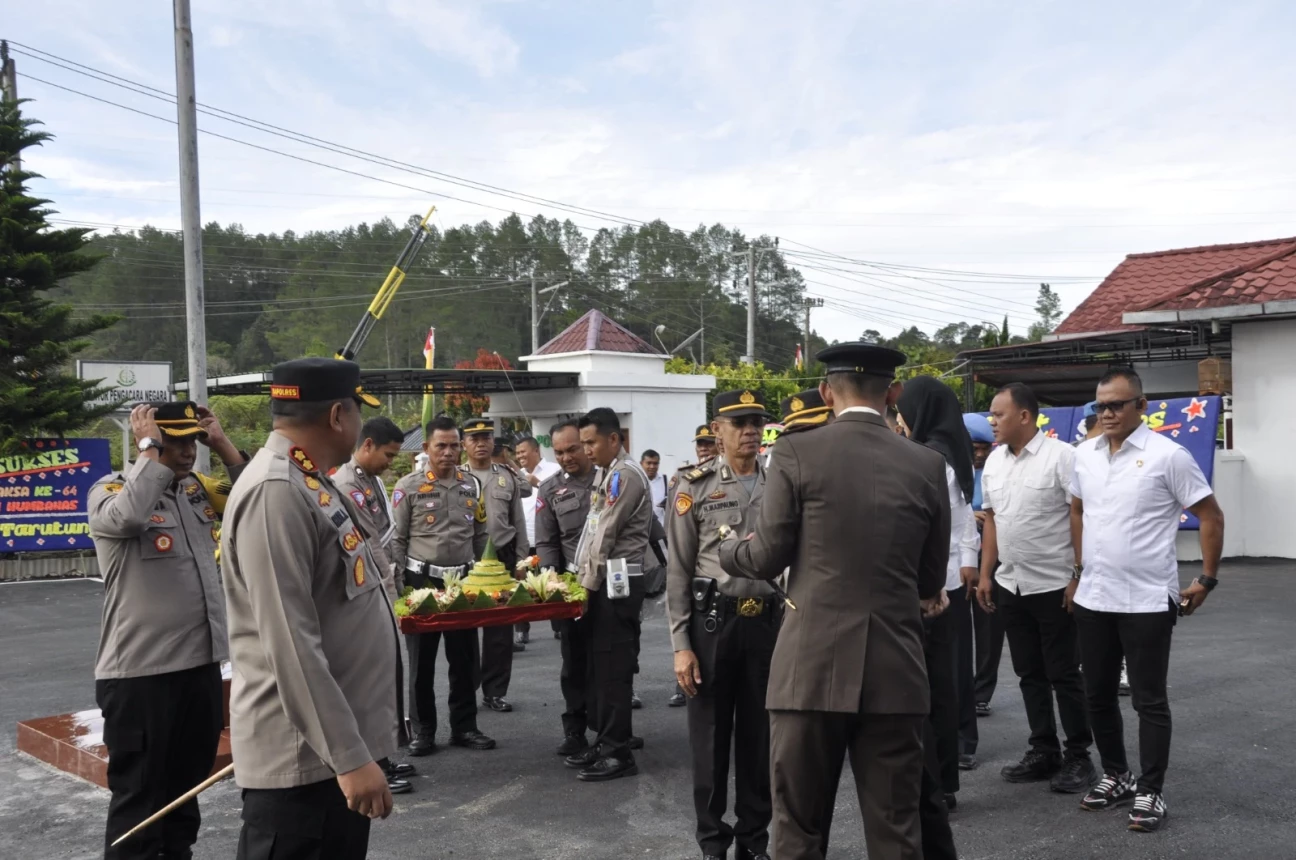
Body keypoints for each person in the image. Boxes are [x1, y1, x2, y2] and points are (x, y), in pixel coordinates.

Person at [720, 343, 951, 860]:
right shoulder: (927, 464)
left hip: (810, 667)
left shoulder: (795, 453)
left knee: (798, 829)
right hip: (895, 670)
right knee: (897, 830)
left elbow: (766, 556)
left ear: (826, 392)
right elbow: (930, 579)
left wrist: (729, 549)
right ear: (893, 391)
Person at [221, 359, 396, 860]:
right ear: (339, 415)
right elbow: (291, 644)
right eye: (359, 412)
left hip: (327, 760)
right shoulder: (276, 491)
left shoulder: (307, 479)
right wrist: (349, 758)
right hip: (306, 763)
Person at [88, 401, 247, 860]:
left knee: (184, 797)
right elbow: (128, 519)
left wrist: (221, 443)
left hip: (198, 667)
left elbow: (253, 501)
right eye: (173, 441)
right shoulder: (111, 491)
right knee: (139, 801)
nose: (185, 452)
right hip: (140, 676)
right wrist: (147, 452)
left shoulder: (197, 491)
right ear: (149, 441)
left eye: (191, 441)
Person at [1068, 368, 1225, 832]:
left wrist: (1208, 579)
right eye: (1101, 405)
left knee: (1148, 700)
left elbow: (1210, 515)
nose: (1108, 413)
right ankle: (1117, 775)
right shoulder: (1085, 456)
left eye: (1118, 404)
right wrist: (1077, 573)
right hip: (1095, 596)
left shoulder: (1167, 456)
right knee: (1096, 695)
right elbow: (1077, 510)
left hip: (1147, 600)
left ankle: (1151, 791)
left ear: (1142, 405)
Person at [668, 390, 777, 860]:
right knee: (710, 737)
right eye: (739, 423)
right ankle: (712, 842)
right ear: (718, 429)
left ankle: (754, 840)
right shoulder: (694, 485)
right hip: (713, 624)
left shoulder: (782, 482)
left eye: (756, 422)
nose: (750, 430)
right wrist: (680, 644)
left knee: (760, 737)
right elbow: (678, 567)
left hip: (768, 624)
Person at [975, 383, 1097, 795]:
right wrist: (987, 573)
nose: (992, 421)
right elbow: (992, 519)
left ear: (1024, 416)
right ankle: (1044, 750)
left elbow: (1081, 517)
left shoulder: (1063, 458)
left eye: (999, 414)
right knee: (1029, 673)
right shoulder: (994, 462)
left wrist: (1078, 575)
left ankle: (1079, 756)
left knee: (1064, 674)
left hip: (1054, 584)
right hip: (1012, 583)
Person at [391, 416, 497, 754]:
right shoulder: (407, 487)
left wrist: (486, 578)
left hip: (464, 581)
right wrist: (401, 589)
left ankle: (465, 727)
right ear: (426, 449)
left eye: (454, 445)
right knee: (421, 662)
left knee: (465, 659)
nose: (449, 452)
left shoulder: (471, 485)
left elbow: (480, 536)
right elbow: (397, 540)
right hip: (422, 582)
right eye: (441, 446)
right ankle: (423, 731)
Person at [896, 377, 981, 793]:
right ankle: (945, 779)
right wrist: (968, 562)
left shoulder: (925, 459)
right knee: (945, 683)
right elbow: (967, 521)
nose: (898, 419)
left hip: (925, 589)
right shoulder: (952, 453)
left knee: (923, 687)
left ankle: (931, 779)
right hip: (946, 582)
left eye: (902, 411)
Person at [565, 408, 654, 782]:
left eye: (590, 442)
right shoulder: (608, 473)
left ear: (614, 439)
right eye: (582, 443)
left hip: (617, 584)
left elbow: (605, 537)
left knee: (614, 668)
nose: (585, 451)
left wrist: (585, 586)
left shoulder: (625, 476)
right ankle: (605, 741)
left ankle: (618, 751)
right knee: (600, 669)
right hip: (606, 582)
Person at [331, 416, 414, 795]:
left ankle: (383, 754)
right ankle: (375, 762)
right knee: (373, 680)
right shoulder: (347, 484)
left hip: (384, 583)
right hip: (369, 589)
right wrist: (391, 591)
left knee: (387, 677)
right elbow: (371, 543)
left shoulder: (372, 481)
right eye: (388, 454)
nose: (391, 463)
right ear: (366, 445)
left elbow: (388, 535)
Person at [535, 419, 600, 755]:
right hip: (572, 588)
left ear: (586, 445)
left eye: (572, 449)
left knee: (614, 659)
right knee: (574, 661)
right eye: (558, 452)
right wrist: (550, 581)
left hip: (607, 585)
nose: (565, 457)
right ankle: (574, 729)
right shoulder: (549, 490)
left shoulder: (611, 479)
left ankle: (612, 728)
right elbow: (546, 543)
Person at [463, 418, 529, 704]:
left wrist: (522, 560)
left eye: (486, 437)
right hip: (467, 556)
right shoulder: (456, 476)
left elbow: (519, 521)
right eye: (474, 438)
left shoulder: (507, 476)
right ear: (464, 443)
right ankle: (466, 690)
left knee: (500, 629)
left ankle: (495, 691)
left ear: (493, 442)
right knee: (464, 630)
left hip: (502, 554)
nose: (481, 443)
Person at [668, 426, 721, 707]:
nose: (703, 448)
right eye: (699, 444)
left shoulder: (766, 477)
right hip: (707, 596)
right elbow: (677, 543)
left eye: (708, 444)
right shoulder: (686, 480)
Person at [963, 412, 1005, 719]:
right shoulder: (944, 465)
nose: (979, 455)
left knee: (989, 626)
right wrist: (969, 517)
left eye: (984, 448)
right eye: (974, 447)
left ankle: (982, 693)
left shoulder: (999, 467)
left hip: (991, 555)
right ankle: (958, 688)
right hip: (954, 560)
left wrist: (988, 517)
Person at [516, 435, 562, 644]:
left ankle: (559, 626)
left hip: (548, 541)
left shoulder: (553, 470)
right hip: (525, 542)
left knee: (551, 583)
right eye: (517, 453)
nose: (520, 456)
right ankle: (521, 629)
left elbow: (559, 494)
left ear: (536, 450)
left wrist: (537, 483)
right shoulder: (517, 476)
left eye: (523, 451)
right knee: (521, 587)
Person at [642, 449, 669, 525]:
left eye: (655, 463)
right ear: (641, 463)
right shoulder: (637, 480)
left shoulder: (665, 480)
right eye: (649, 463)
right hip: (641, 529)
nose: (652, 466)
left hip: (660, 529)